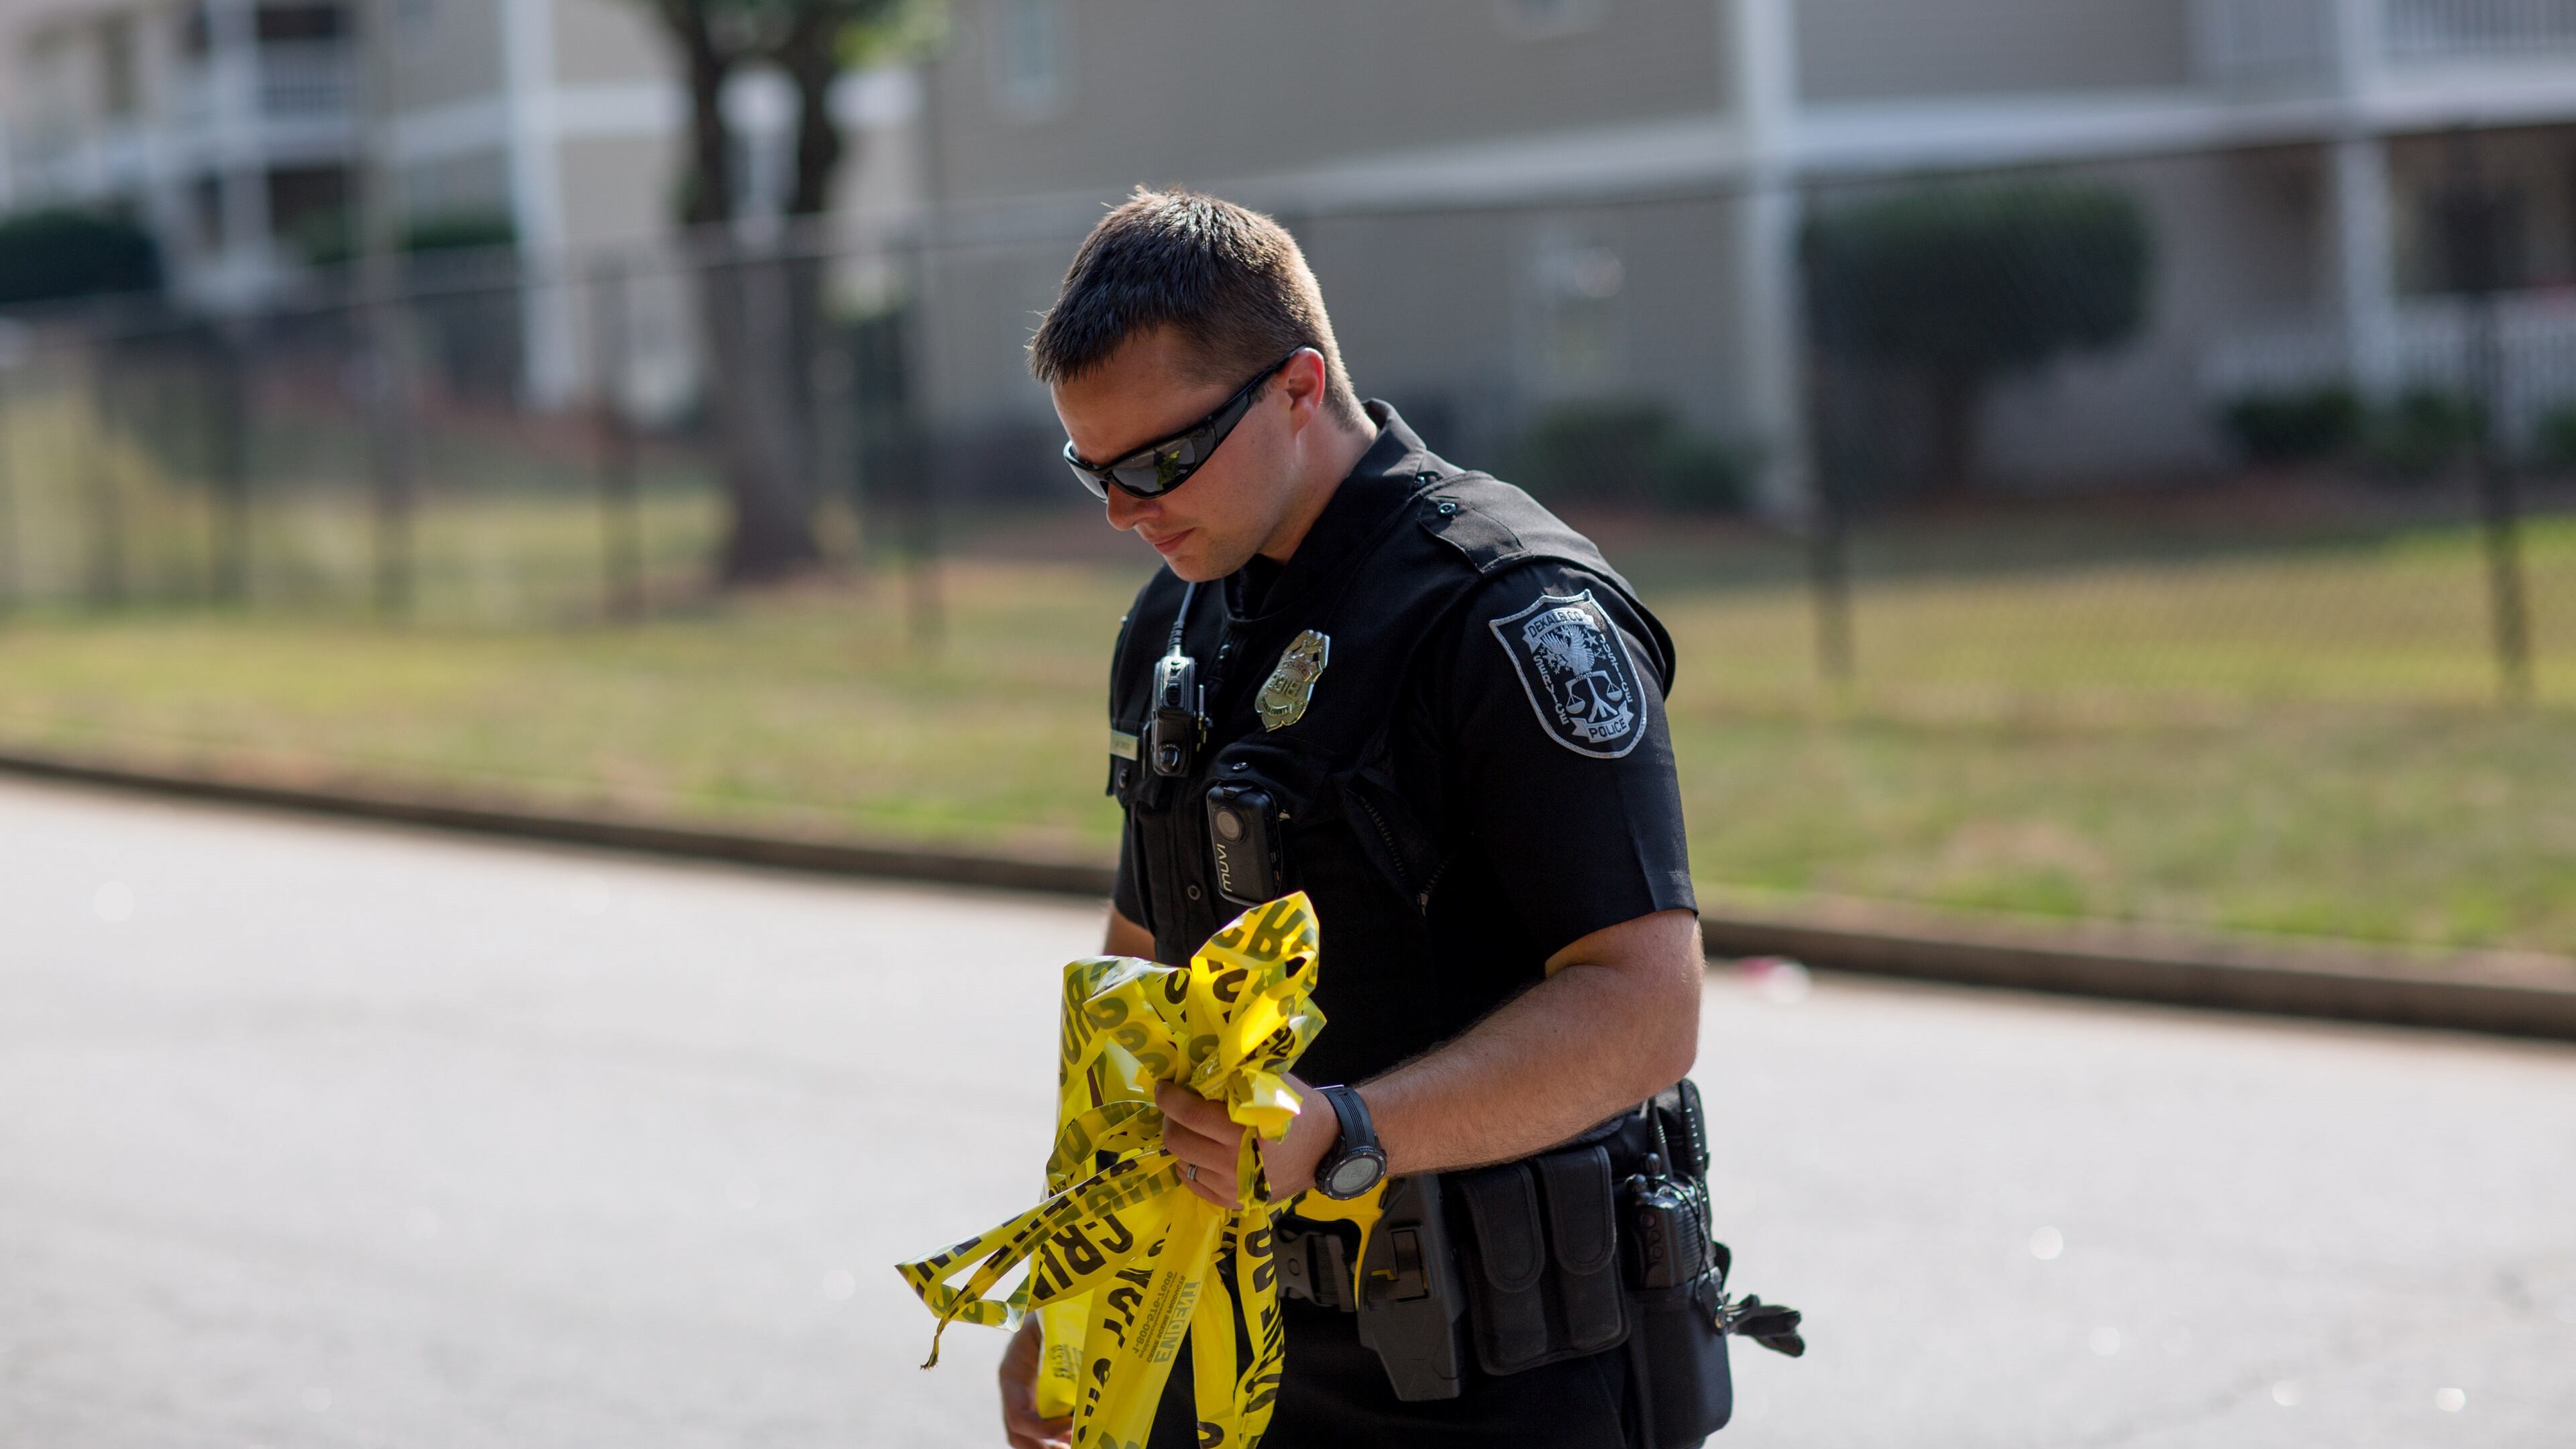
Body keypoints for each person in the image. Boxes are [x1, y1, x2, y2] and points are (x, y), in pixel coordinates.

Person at [998, 189, 1709, 1449]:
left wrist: (1350, 1133)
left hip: (1491, 1375)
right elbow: (1145, 964)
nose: (1125, 512)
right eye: (1090, 471)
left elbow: (1644, 1006)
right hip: (1228, 1356)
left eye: (1159, 461)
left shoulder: (1506, 612)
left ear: (1296, 388)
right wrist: (1081, 1282)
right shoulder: (1176, 622)